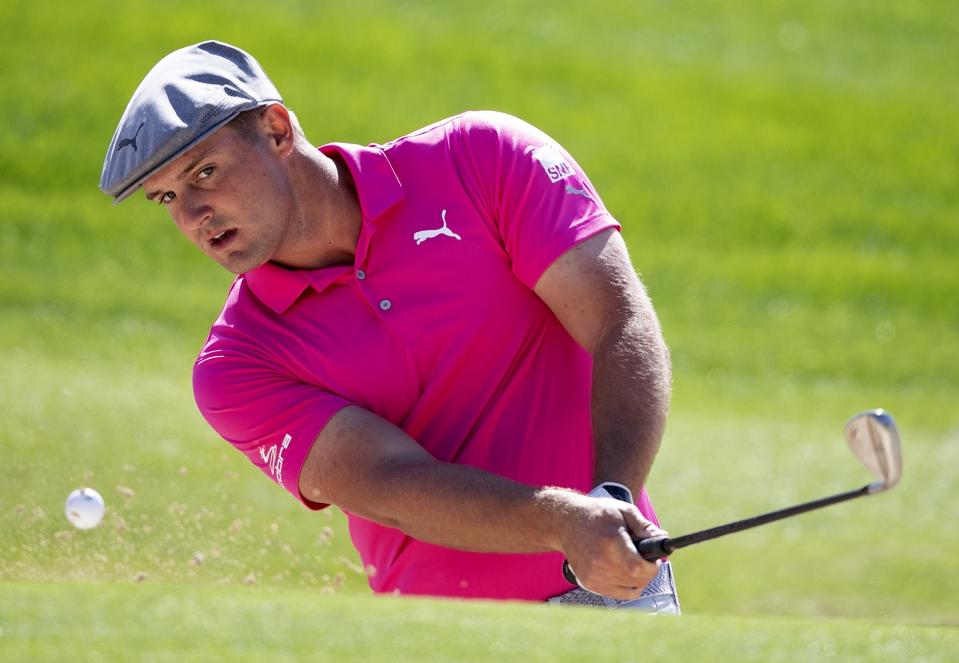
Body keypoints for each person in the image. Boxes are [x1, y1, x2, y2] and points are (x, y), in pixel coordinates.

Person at [100, 40, 678, 612]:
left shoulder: (483, 159)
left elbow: (616, 319)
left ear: (276, 129)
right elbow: (390, 482)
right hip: (432, 635)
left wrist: (613, 498)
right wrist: (566, 522)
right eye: (168, 196)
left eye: (206, 172)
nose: (193, 214)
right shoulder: (238, 365)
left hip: (613, 601)